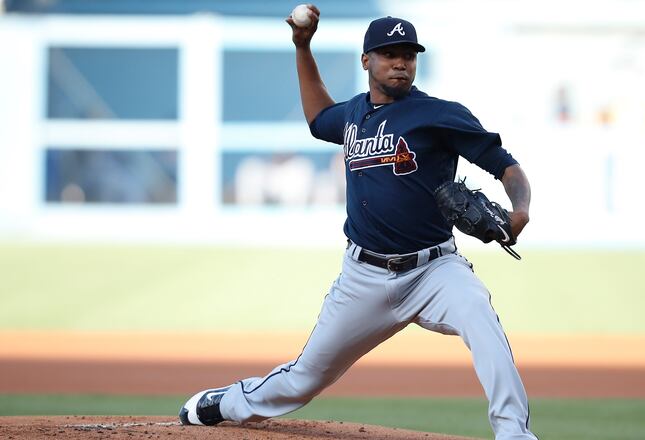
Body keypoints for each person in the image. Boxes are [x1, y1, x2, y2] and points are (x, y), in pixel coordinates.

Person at [179, 6, 537, 439]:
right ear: (366, 60)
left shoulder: (440, 114)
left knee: (480, 315)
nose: (401, 62)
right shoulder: (352, 115)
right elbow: (316, 117)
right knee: (304, 378)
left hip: (434, 270)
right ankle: (228, 402)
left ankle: (513, 432)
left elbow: (506, 166)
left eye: (409, 54)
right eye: (389, 53)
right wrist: (302, 46)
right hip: (363, 276)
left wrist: (520, 210)